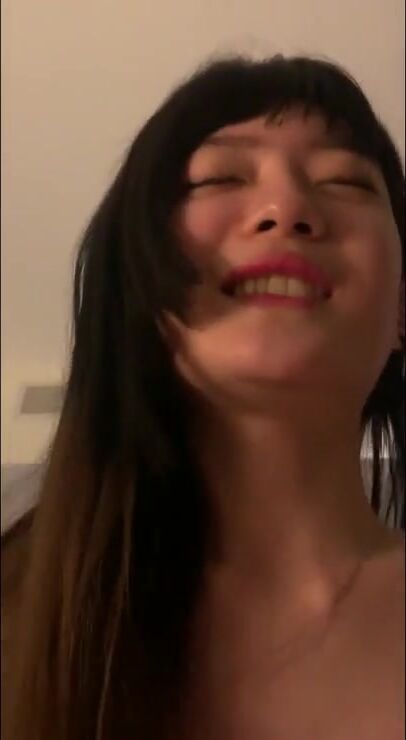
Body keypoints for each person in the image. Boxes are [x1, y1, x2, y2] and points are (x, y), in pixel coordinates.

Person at [2, 53, 405, 740]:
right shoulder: (19, 617)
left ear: (401, 310)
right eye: (219, 177)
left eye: (345, 181)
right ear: (138, 279)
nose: (287, 208)